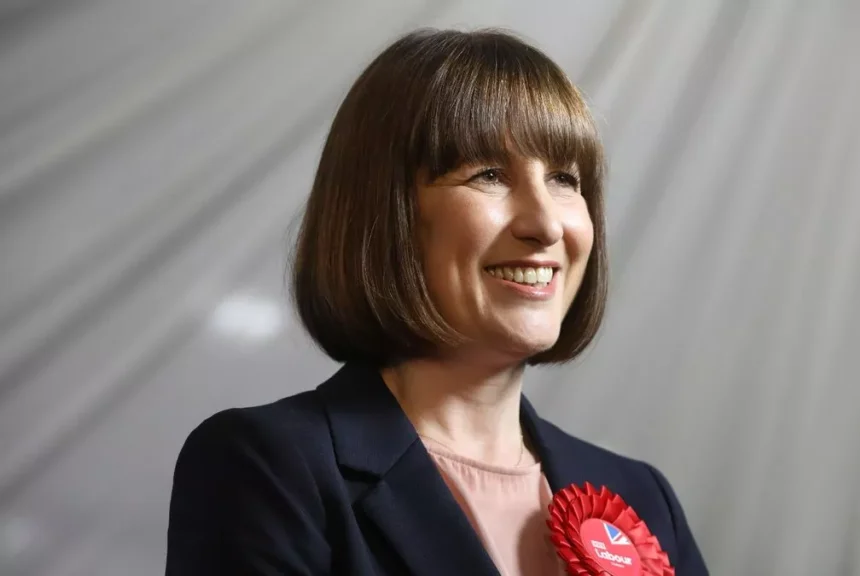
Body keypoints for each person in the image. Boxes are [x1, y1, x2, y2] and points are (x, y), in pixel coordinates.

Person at [165, 28, 707, 575]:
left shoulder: (642, 498)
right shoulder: (269, 468)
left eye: (565, 179)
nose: (545, 224)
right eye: (489, 175)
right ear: (386, 212)